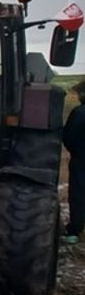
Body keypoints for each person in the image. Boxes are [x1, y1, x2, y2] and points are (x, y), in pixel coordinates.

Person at [63, 80, 85, 244]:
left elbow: (68, 137)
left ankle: (74, 231)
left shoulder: (79, 113)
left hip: (81, 160)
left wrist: (76, 151)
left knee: (78, 194)